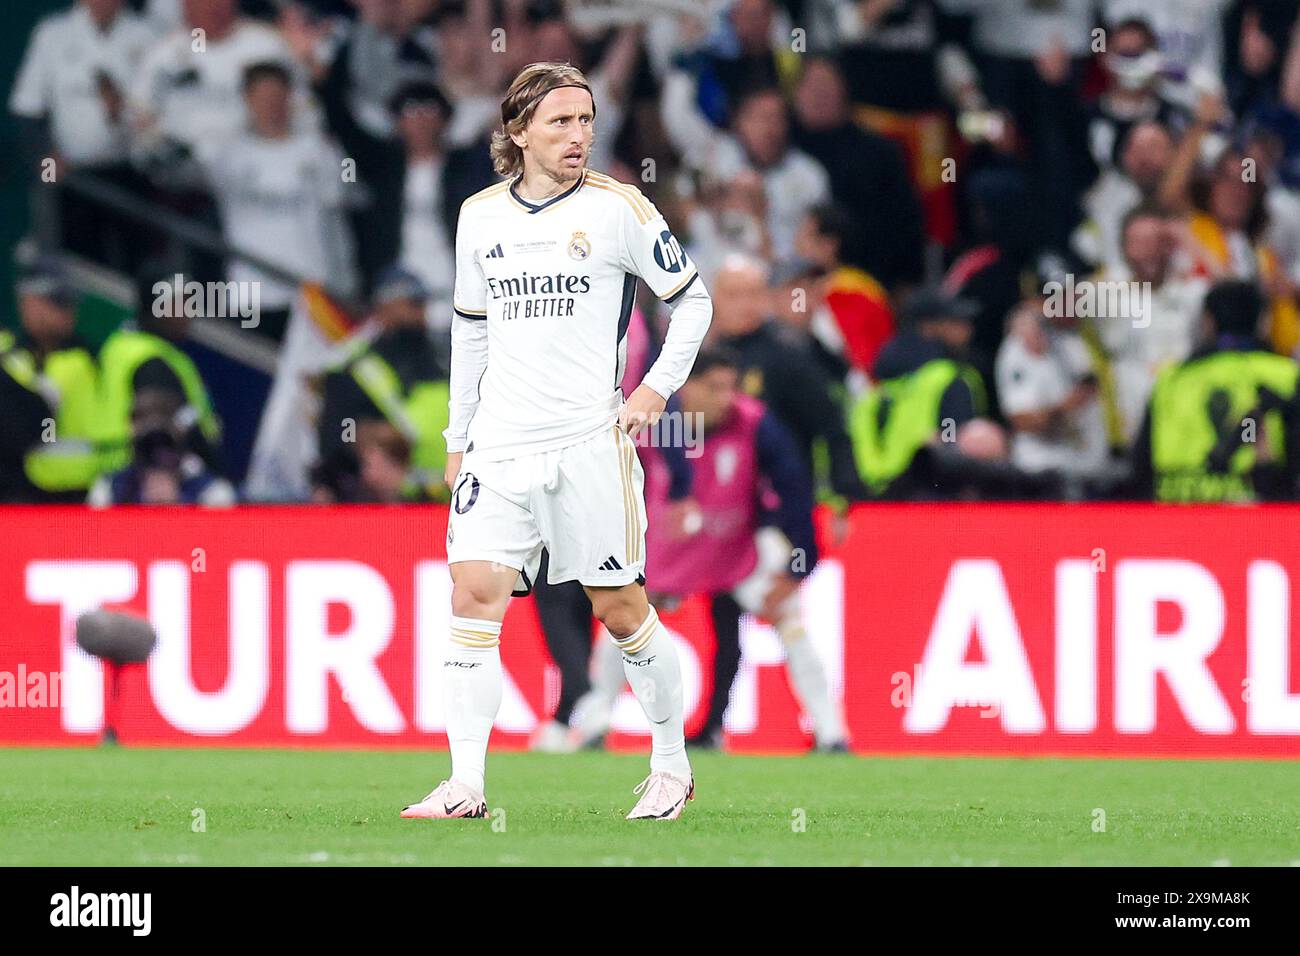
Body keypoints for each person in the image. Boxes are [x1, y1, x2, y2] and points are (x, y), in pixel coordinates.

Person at [400, 61, 713, 822]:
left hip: (587, 443)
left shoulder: (620, 210)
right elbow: (470, 332)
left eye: (585, 121)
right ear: (518, 132)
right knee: (473, 595)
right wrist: (456, 436)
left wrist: (652, 390)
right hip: (499, 448)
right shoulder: (479, 215)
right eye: (560, 123)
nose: (579, 136)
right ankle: (465, 785)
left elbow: (693, 301)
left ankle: (671, 766)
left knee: (620, 609)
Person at [575, 347, 849, 752]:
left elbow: (793, 488)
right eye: (714, 387)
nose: (725, 397)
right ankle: (595, 723)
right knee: (622, 620)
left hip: (736, 548)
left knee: (789, 619)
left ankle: (831, 733)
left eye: (730, 387)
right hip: (668, 551)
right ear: (686, 386)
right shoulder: (660, 421)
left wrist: (799, 566)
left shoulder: (753, 424)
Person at [1131, 279, 1300, 502]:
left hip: (1177, 522)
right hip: (1258, 522)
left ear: (1207, 322)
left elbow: (1141, 468)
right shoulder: (1286, 377)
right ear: (1264, 322)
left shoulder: (1170, 381)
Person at [316, 265, 450, 500]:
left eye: (423, 305)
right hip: (387, 503)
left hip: (451, 497)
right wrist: (363, 440)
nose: (420, 315)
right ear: (383, 308)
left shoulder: (444, 359)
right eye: (413, 304)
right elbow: (337, 435)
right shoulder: (353, 369)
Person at [0, 260, 100, 501]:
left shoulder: (84, 360)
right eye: (57, 302)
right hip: (19, 490)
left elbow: (35, 417)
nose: (67, 312)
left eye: (69, 303)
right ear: (28, 303)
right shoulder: (10, 352)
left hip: (78, 494)